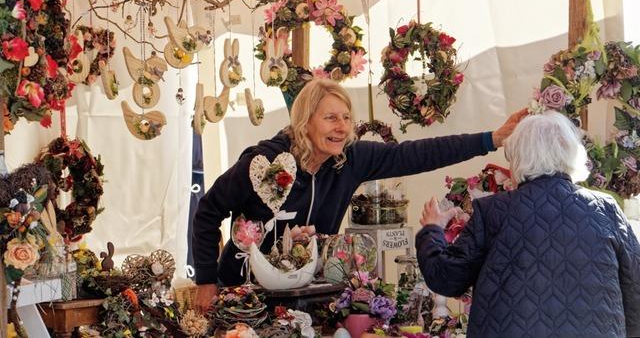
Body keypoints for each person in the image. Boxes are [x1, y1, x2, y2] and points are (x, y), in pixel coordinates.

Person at [193, 78, 527, 312]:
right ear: (305, 122)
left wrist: (490, 139)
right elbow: (208, 210)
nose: (341, 127)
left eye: (346, 118)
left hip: (309, 296)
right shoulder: (264, 162)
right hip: (244, 293)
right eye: (330, 118)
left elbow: (417, 153)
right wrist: (206, 280)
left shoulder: (349, 160)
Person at [416, 110, 640, 338]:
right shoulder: (606, 208)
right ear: (571, 152)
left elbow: (446, 279)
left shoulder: (493, 211)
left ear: (517, 158)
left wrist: (431, 231)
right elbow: (635, 291)